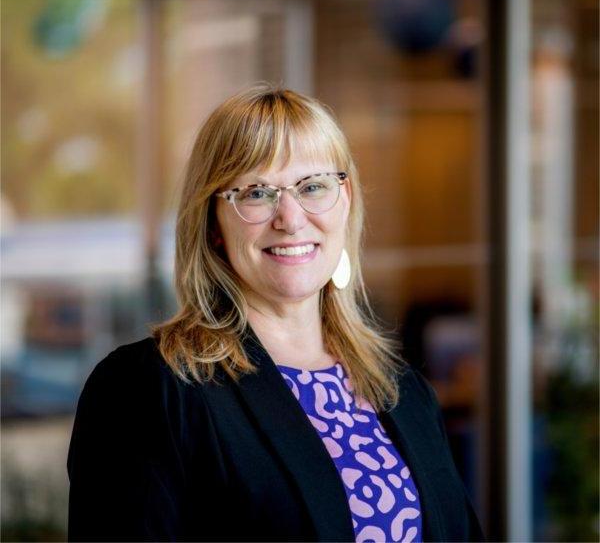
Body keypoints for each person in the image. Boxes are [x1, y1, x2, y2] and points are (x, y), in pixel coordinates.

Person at [67, 84, 485, 542]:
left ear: (345, 203)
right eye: (257, 193)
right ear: (213, 224)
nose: (290, 217)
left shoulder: (401, 389)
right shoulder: (153, 390)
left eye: (313, 187)